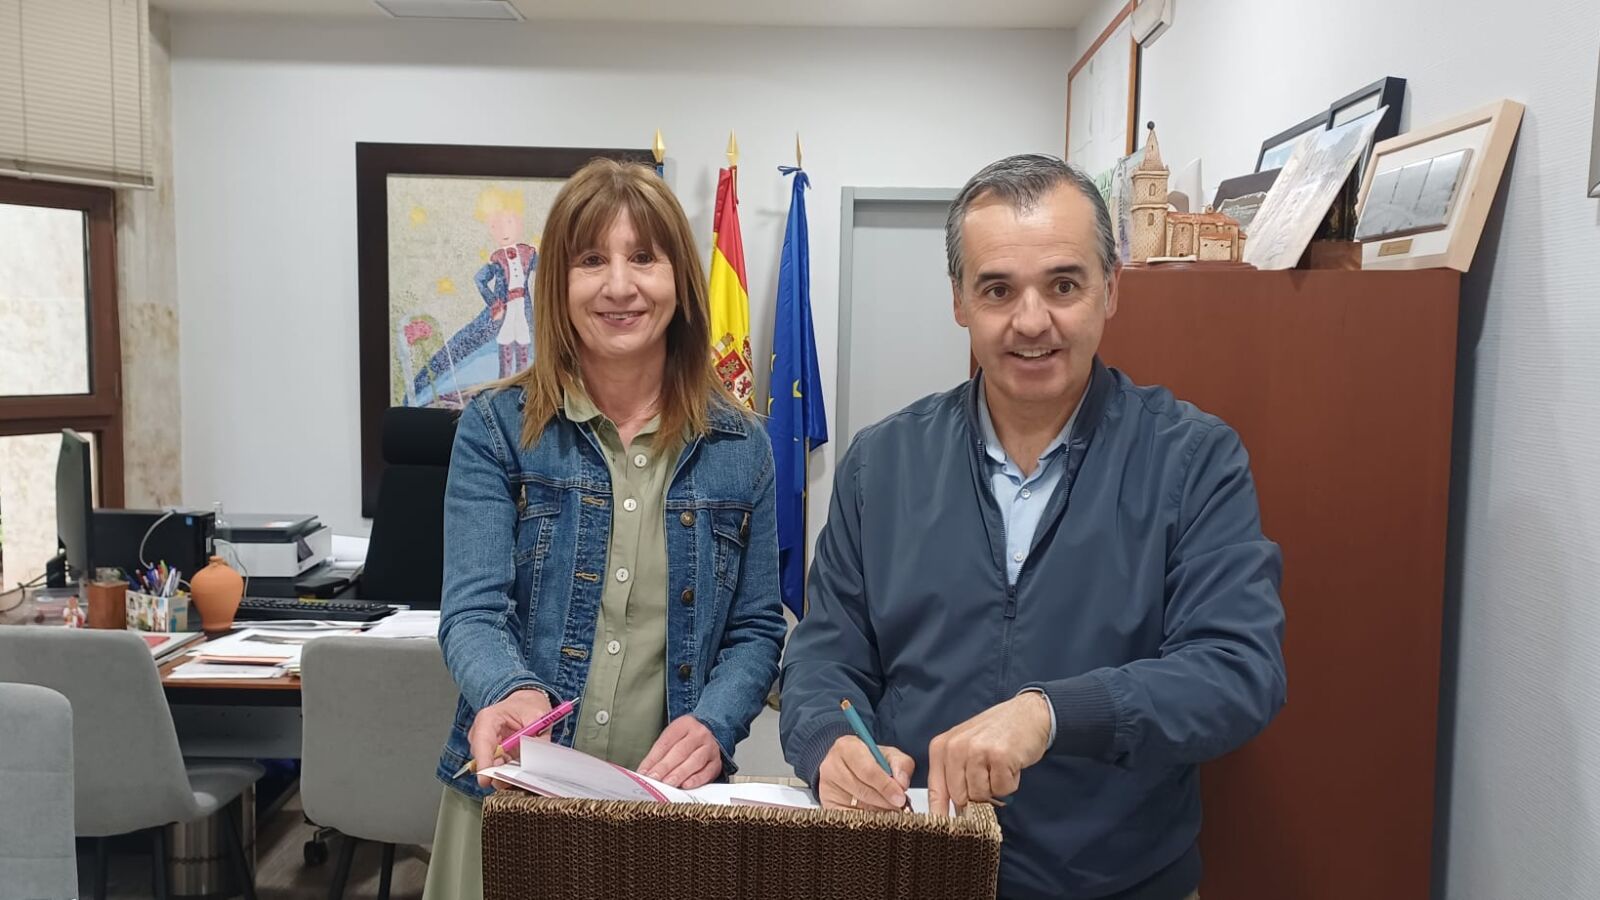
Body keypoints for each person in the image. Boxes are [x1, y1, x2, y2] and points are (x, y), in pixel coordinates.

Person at [779, 154, 1286, 900]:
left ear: (1112, 289)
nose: (1031, 321)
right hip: (917, 869)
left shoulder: (1193, 460)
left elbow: (1237, 670)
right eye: (997, 289)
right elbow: (825, 655)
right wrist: (827, 738)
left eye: (1063, 285)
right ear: (959, 300)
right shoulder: (880, 464)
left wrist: (1051, 715)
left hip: (1121, 883)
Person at [425, 158, 785, 900]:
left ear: (680, 281)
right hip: (517, 792)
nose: (619, 286)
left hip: (667, 808)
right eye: (591, 260)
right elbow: (472, 611)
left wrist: (715, 724)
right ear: (558, 283)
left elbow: (755, 630)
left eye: (644, 258)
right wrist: (511, 691)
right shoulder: (496, 430)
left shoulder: (742, 446)